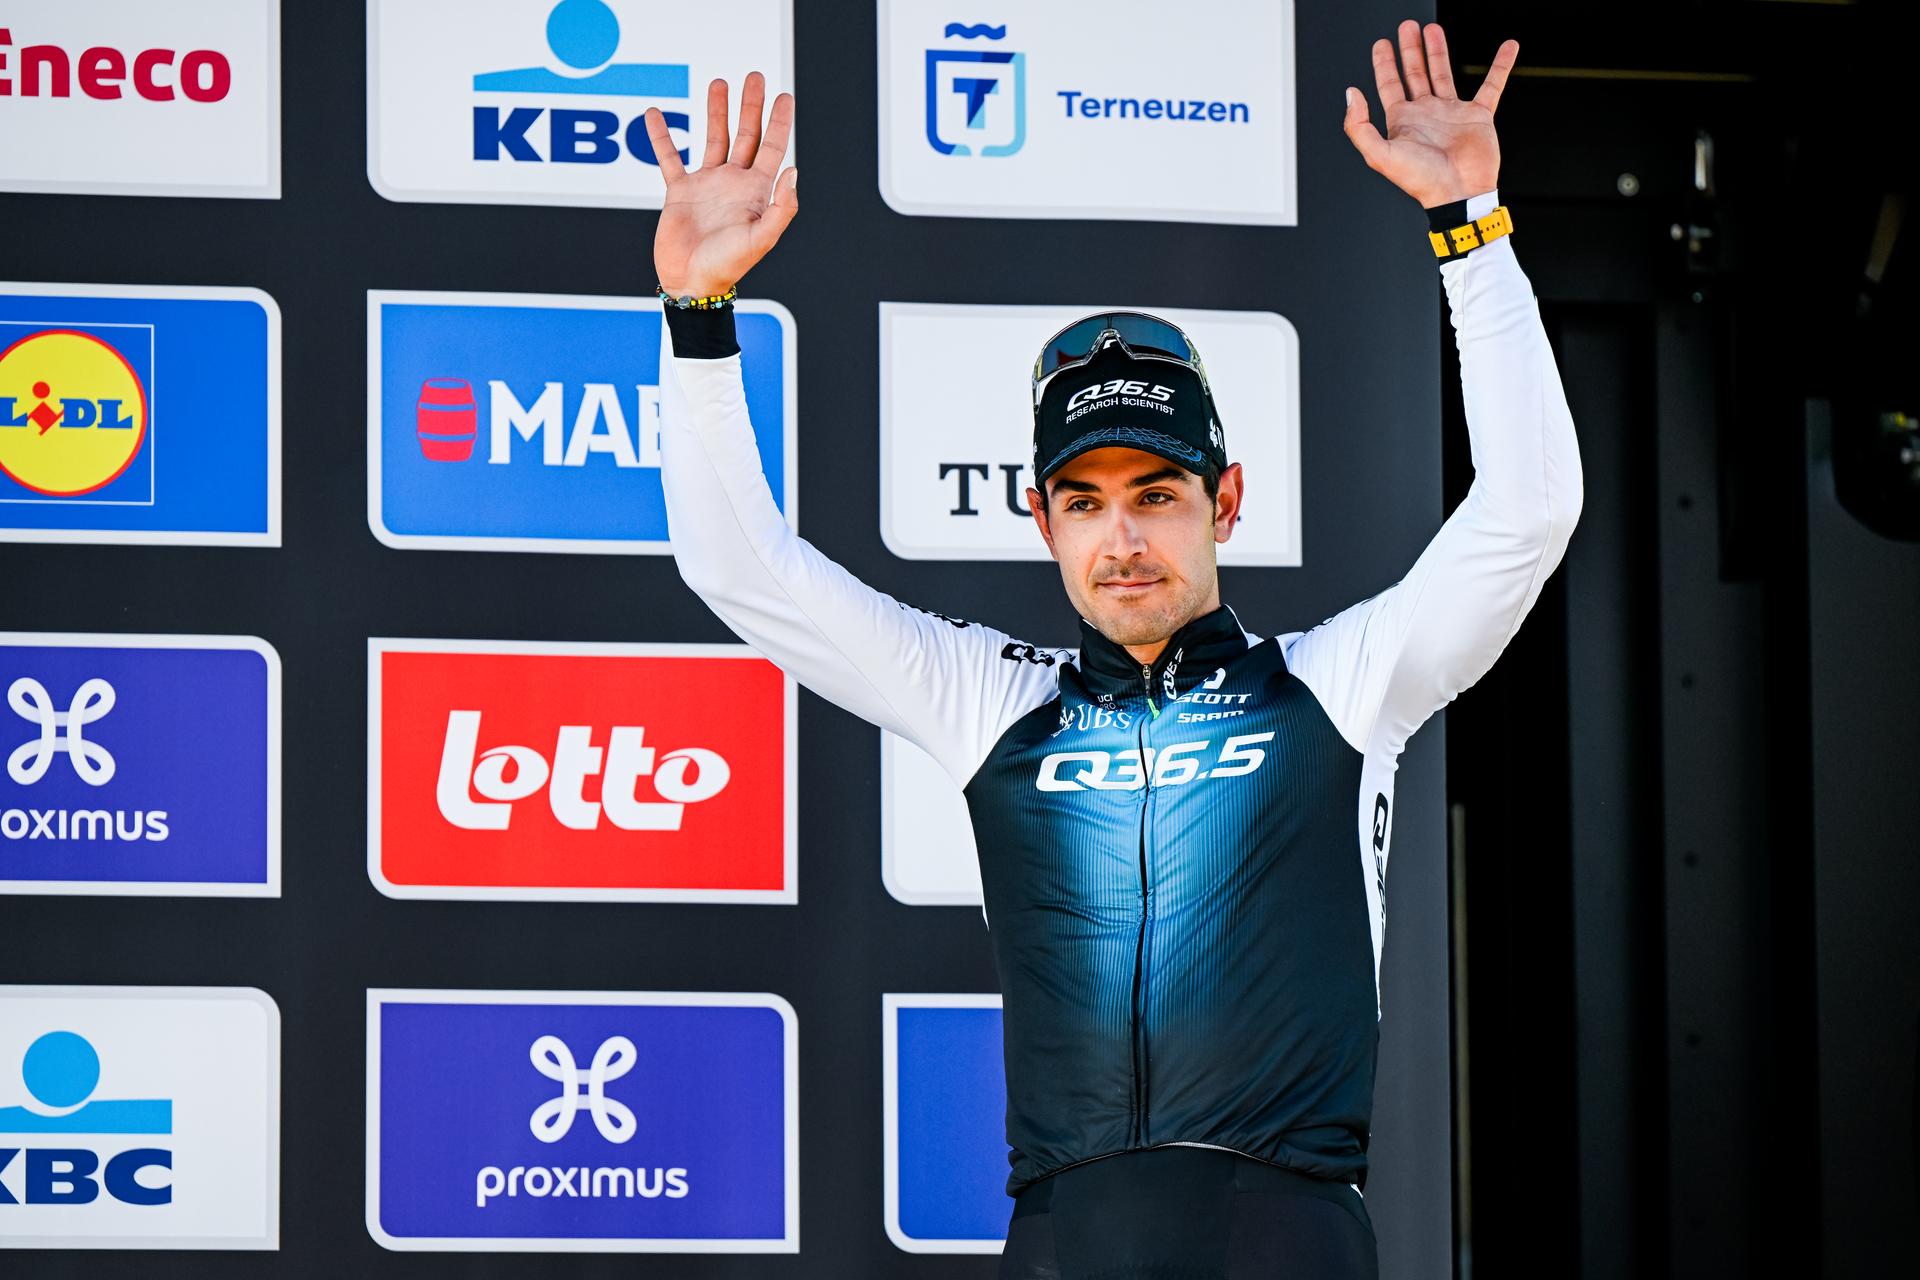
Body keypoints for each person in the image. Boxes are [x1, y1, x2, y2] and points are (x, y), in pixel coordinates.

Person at [645, 19, 1579, 1279]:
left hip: (1281, 1237)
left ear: (1225, 499)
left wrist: (1473, 230)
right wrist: (699, 313)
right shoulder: (990, 703)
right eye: (1084, 502)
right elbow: (741, 568)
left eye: (1157, 493)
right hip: (1060, 1239)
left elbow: (1527, 510)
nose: (1123, 537)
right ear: (1042, 519)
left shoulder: (1338, 683)